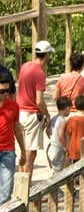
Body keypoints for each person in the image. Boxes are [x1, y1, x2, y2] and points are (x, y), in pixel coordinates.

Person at [16, 40, 53, 176]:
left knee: (23, 152)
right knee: (30, 154)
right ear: (46, 55)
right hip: (31, 116)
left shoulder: (25, 66)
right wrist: (47, 115)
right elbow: (39, 101)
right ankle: (27, 187)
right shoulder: (39, 73)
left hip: (19, 113)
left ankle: (21, 185)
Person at [0, 71, 25, 212]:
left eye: (8, 91)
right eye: (2, 91)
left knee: (5, 192)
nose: (5, 95)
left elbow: (17, 128)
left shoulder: (13, 106)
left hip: (8, 152)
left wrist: (23, 150)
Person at [60, 94, 84, 166]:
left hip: (74, 151)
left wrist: (67, 149)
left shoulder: (71, 120)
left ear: (75, 106)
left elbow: (68, 136)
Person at [47, 96, 70, 172]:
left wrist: (53, 138)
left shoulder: (54, 118)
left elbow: (47, 131)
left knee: (55, 171)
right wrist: (65, 148)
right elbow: (61, 136)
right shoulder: (63, 121)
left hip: (51, 148)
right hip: (58, 150)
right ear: (67, 108)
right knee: (60, 173)